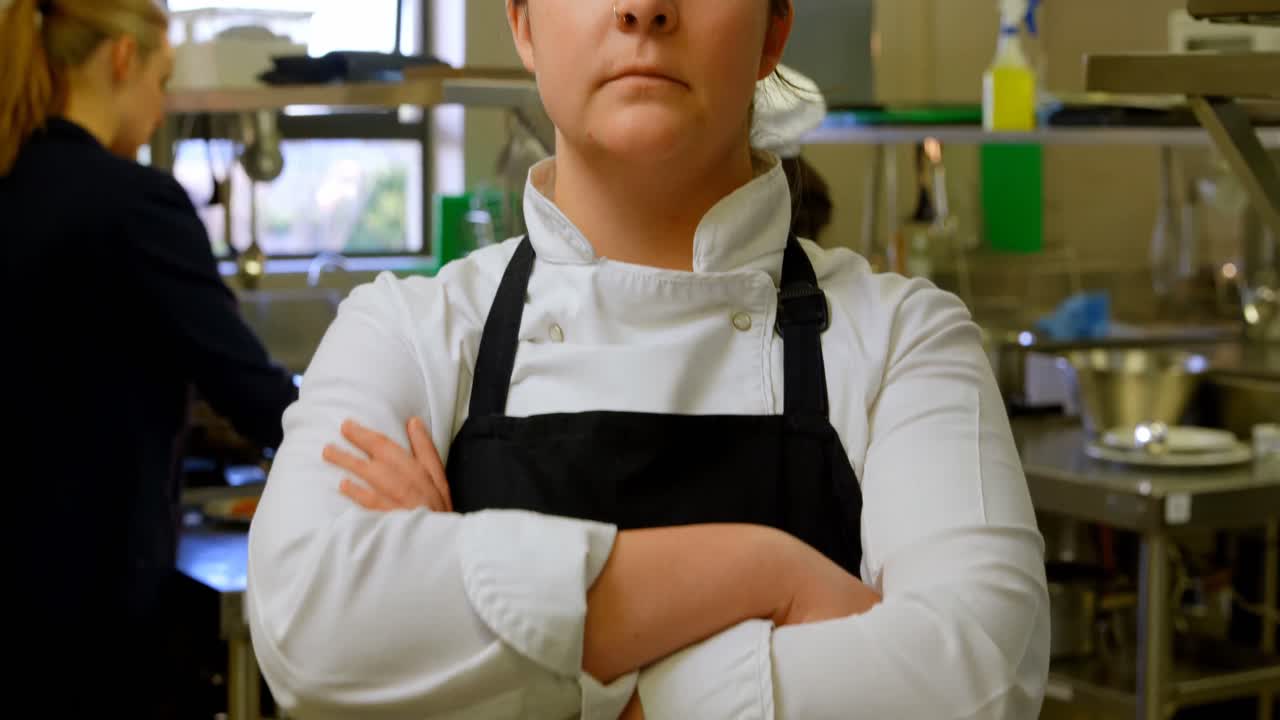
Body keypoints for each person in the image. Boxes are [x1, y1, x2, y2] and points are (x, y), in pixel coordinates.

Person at [247, 1, 1050, 718]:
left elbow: (976, 677)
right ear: (523, 23)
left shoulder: (907, 339)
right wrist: (767, 573)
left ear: (774, 29)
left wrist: (507, 666)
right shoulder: (406, 330)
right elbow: (309, 635)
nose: (643, 9)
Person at [0, 0, 299, 713]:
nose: (163, 112)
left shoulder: (13, 184)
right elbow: (259, 398)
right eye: (163, 82)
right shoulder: (134, 207)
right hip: (92, 618)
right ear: (122, 60)